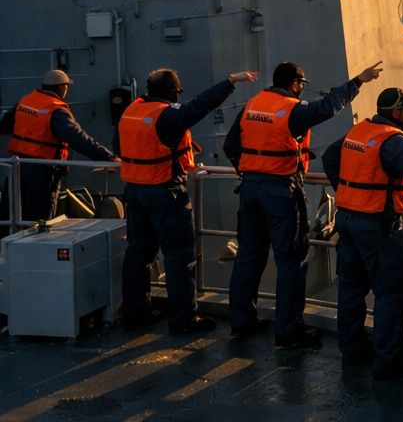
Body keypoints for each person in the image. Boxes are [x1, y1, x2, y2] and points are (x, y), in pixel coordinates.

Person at [223, 59, 382, 348]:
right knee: (291, 261)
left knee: (248, 256)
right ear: (294, 85)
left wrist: (250, 171)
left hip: (250, 190)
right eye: (299, 86)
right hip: (280, 192)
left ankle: (242, 322)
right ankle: (288, 331)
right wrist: (357, 81)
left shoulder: (251, 106)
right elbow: (328, 106)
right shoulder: (291, 110)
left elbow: (230, 146)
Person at [117, 67, 258, 332]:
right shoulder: (167, 115)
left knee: (138, 253)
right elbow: (199, 106)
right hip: (164, 192)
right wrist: (229, 82)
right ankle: (183, 319)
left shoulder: (130, 112)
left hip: (134, 190)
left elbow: (122, 145)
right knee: (179, 255)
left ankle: (136, 312)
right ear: (172, 92)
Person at [320, 87, 403, 377]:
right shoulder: (394, 141)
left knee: (351, 290)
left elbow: (329, 157)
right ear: (396, 112)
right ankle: (387, 362)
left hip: (347, 220)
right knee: (391, 295)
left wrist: (348, 191)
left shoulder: (359, 131)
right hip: (378, 227)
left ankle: (353, 352)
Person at [1, 69, 115, 223]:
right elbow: (79, 139)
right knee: (40, 221)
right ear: (63, 88)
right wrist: (108, 157)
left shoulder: (25, 101)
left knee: (12, 216)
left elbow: (4, 124)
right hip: (42, 172)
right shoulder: (56, 110)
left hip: (17, 167)